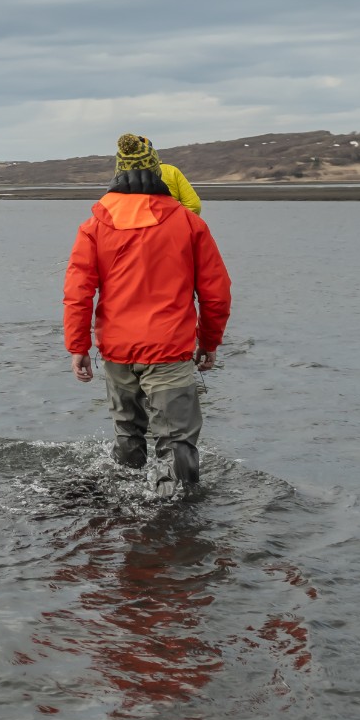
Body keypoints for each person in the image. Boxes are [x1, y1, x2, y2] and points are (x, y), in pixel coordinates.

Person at [64, 135, 233, 496]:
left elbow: (78, 293)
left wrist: (77, 347)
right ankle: (177, 527)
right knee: (176, 442)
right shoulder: (188, 223)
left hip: (117, 350)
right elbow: (216, 294)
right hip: (169, 349)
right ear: (157, 170)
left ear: (117, 172)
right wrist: (209, 342)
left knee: (128, 435)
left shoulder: (94, 226)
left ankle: (122, 513)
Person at [114, 132, 203, 215]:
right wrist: (179, 222)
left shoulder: (121, 177)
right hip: (169, 226)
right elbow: (194, 205)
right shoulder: (171, 171)